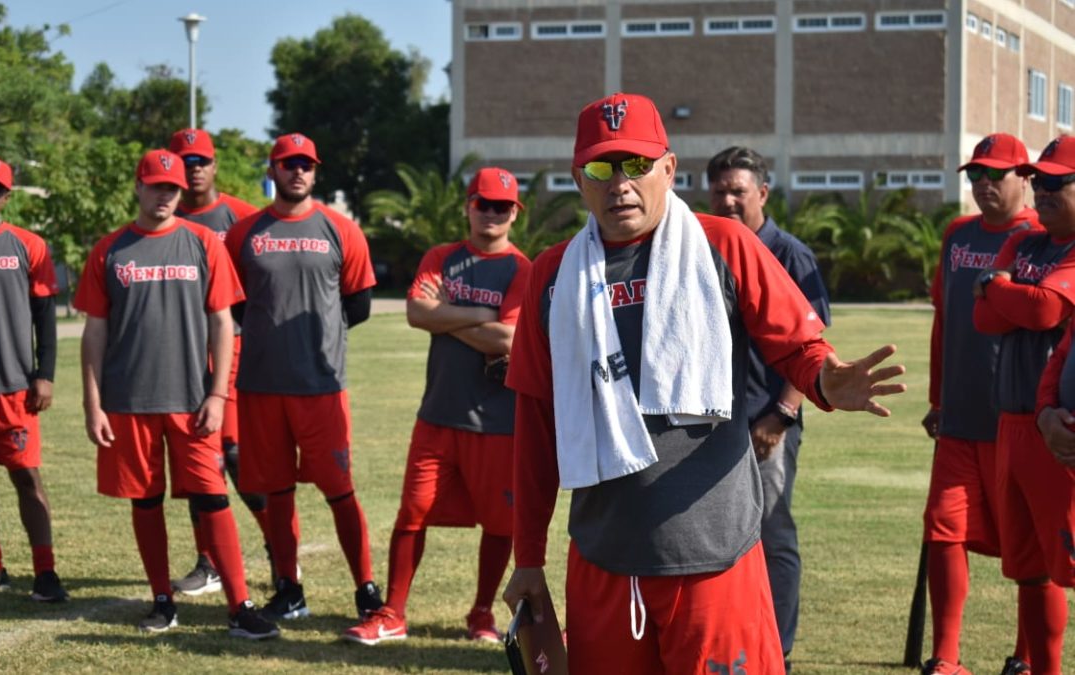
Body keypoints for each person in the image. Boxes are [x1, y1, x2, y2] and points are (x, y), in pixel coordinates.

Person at [501, 92, 906, 675]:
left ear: (669, 168)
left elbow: (797, 344)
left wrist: (824, 379)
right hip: (604, 555)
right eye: (601, 168)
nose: (621, 183)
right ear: (578, 179)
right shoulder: (550, 274)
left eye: (637, 165)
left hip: (715, 553)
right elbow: (536, 426)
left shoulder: (725, 244)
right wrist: (530, 558)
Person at [75, 149, 278, 639]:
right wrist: (92, 402)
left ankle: (239, 604)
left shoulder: (203, 243)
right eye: (156, 186)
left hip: (192, 402)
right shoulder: (110, 250)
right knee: (146, 502)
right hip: (127, 402)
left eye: (173, 189)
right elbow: (94, 332)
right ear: (138, 187)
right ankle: (162, 601)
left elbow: (223, 324)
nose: (165, 195)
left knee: (212, 499)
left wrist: (217, 395)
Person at [344, 167, 532, 645]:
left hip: (497, 421)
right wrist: (481, 315)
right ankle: (393, 613)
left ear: (514, 214)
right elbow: (413, 313)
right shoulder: (441, 257)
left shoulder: (522, 269)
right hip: (437, 416)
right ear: (467, 206)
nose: (491, 213)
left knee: (500, 523)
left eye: (502, 207)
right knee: (412, 513)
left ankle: (482, 614)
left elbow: (508, 339)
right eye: (483, 203)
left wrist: (443, 317)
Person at [224, 133, 383, 627]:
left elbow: (357, 304)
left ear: (316, 172)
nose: (298, 172)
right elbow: (234, 303)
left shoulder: (341, 229)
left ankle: (366, 587)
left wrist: (320, 332)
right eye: (288, 164)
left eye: (306, 165)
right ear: (272, 170)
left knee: (340, 490)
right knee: (275, 492)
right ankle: (289, 589)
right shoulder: (244, 233)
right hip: (261, 386)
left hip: (321, 386)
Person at [706, 146, 831, 669]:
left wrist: (781, 415)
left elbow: (812, 342)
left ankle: (777, 650)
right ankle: (739, 643)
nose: (729, 201)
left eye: (739, 191)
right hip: (716, 423)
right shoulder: (705, 248)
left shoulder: (789, 253)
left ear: (762, 193)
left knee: (773, 532)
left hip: (767, 420)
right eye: (720, 192)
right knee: (723, 535)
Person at [920, 133, 1039, 675]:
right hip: (960, 419)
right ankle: (945, 659)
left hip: (1018, 422)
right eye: (975, 176)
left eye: (995, 175)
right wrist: (937, 398)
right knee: (943, 530)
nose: (983, 185)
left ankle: (1027, 656)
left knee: (1027, 549)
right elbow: (944, 322)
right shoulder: (957, 235)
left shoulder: (1041, 239)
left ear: (1026, 177)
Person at [974, 135, 1075, 675]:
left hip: (1060, 429)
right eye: (1040, 180)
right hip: (1014, 421)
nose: (1044, 189)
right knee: (1030, 570)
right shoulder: (1029, 243)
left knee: (1070, 563)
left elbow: (1041, 311)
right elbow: (984, 319)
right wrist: (1009, 296)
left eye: (1058, 181)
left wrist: (999, 290)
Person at [166, 128, 273, 596]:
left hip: (237, 351)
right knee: (195, 461)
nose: (193, 169)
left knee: (236, 458)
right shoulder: (164, 218)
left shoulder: (243, 216)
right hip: (183, 355)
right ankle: (208, 562)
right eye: (184, 161)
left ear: (214, 165)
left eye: (200, 161)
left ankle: (277, 550)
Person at [0, 156, 68, 603]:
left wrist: (45, 375)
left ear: (6, 195)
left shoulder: (28, 245)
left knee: (27, 480)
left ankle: (45, 572)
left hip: (14, 388)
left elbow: (46, 316)